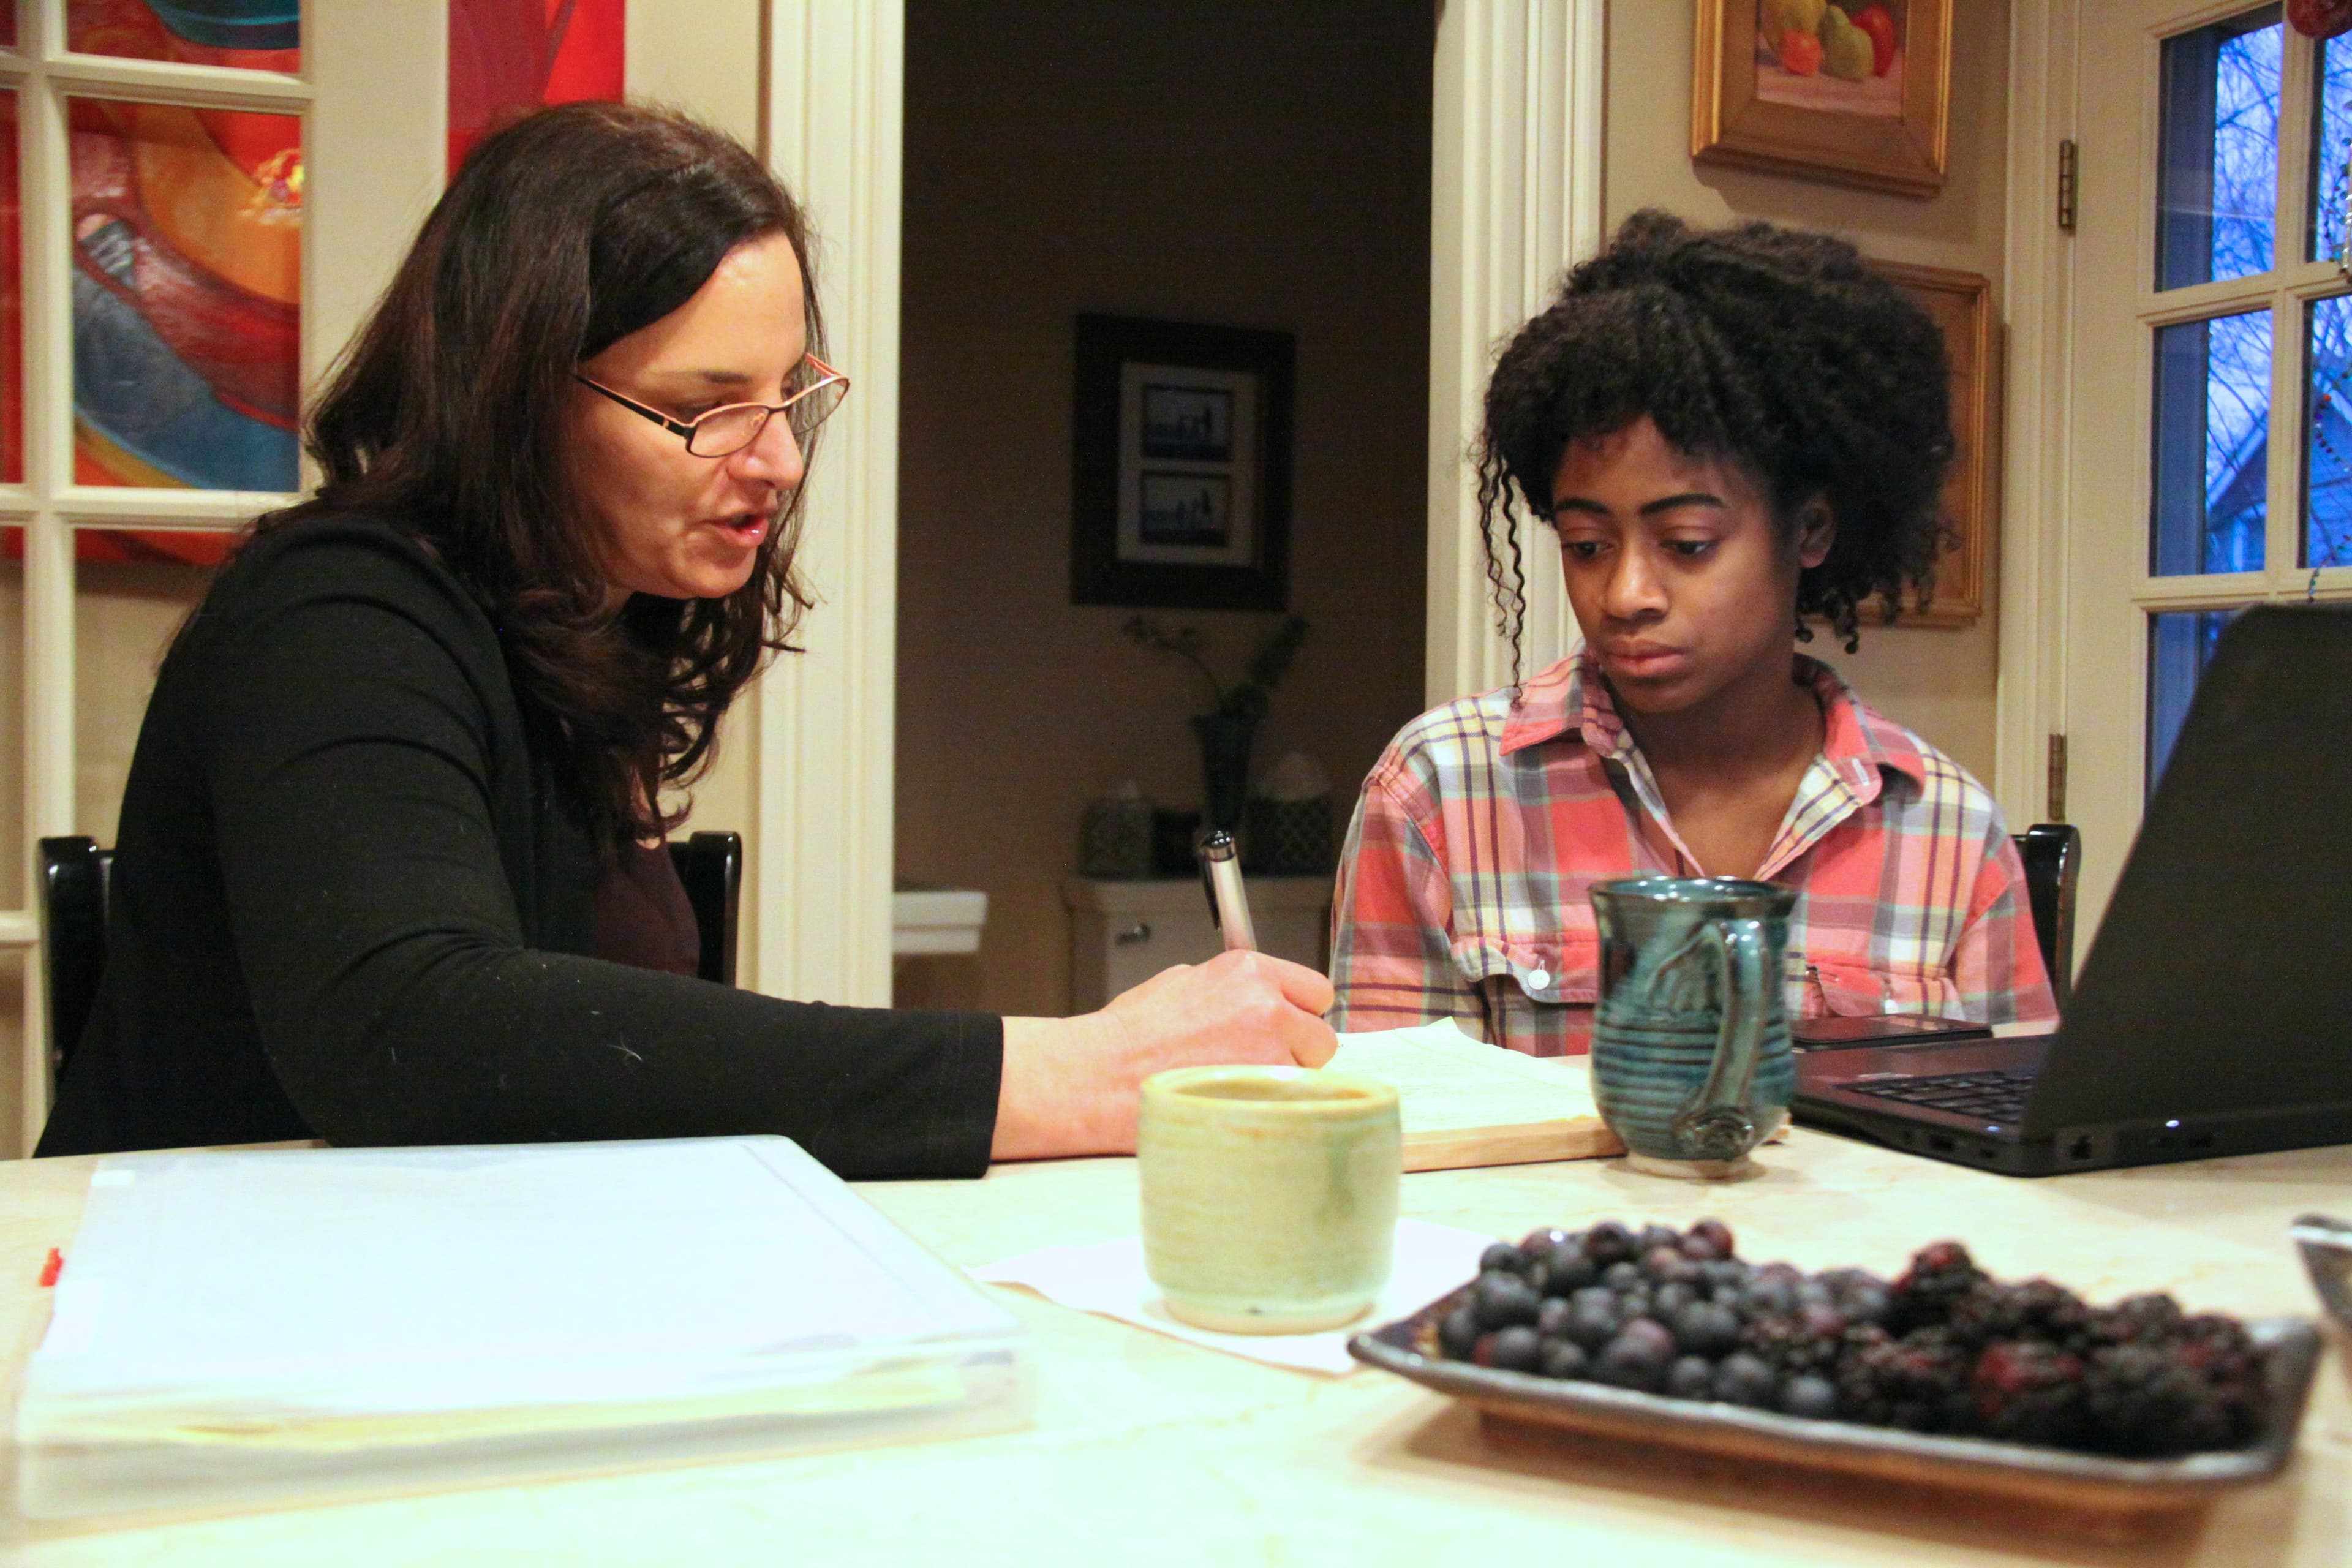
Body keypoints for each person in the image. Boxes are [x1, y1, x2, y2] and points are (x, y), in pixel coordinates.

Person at [37, 103, 1335, 1171]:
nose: (773, 461)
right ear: (515, 393)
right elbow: (410, 1028)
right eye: (703, 407)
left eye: (789, 397)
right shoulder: (336, 608)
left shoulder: (582, 633)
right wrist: (1053, 1068)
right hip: (197, 1325)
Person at [1329, 211, 2056, 1056]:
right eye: (1587, 547)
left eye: (1688, 546)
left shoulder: (1949, 832)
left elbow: (2012, 1148)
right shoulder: (1442, 795)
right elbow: (1389, 1137)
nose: (1627, 594)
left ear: (1812, 531)